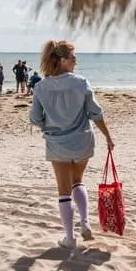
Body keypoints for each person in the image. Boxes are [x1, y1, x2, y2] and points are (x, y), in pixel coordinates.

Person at [29, 40, 114, 249]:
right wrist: (108, 137)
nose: (76, 61)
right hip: (82, 139)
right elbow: (96, 113)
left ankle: (70, 237)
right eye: (73, 58)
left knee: (63, 191)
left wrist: (49, 122)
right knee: (78, 180)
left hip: (57, 143)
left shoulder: (40, 87)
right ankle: (85, 224)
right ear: (62, 60)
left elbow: (35, 118)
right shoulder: (82, 83)